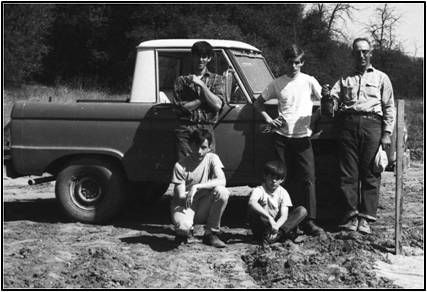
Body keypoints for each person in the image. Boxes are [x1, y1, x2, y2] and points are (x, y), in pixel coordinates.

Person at [325, 37, 395, 234]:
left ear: (371, 53)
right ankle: (351, 216)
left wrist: (387, 133)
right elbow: (333, 103)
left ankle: (365, 218)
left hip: (373, 125)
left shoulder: (382, 78)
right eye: (357, 52)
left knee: (371, 172)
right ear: (352, 54)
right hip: (347, 126)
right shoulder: (344, 79)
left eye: (365, 51)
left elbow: (389, 107)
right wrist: (328, 97)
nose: (361, 55)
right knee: (348, 173)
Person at [253, 44, 325, 236]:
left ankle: (309, 221)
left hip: (303, 138)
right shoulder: (276, 83)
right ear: (285, 62)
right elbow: (258, 103)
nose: (294, 66)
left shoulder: (309, 81)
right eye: (290, 62)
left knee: (309, 179)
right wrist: (269, 119)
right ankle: (285, 221)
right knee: (283, 179)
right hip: (281, 139)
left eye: (297, 62)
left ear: (302, 63)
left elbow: (324, 102)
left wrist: (314, 120)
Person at [170, 128, 230, 248]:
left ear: (209, 148)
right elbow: (180, 197)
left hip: (204, 203)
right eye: (195, 146)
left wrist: (196, 187)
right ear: (190, 145)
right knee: (183, 228)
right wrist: (190, 194)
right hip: (186, 205)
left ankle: (211, 234)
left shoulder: (212, 158)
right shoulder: (180, 166)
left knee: (222, 192)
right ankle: (186, 230)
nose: (199, 151)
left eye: (203, 147)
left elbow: (222, 180)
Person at [173, 41, 225, 160]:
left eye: (204, 56)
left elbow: (217, 105)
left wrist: (202, 85)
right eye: (197, 56)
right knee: (184, 167)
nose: (200, 60)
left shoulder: (217, 79)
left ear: (209, 58)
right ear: (192, 57)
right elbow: (181, 109)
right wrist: (203, 99)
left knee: (207, 166)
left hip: (207, 129)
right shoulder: (181, 81)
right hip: (186, 129)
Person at [248, 160, 307, 245]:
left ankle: (277, 235)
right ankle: (266, 237)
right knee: (253, 209)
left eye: (277, 178)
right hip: (264, 224)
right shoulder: (259, 190)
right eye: (271, 177)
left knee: (302, 210)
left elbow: (284, 215)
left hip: (277, 225)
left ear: (282, 180)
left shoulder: (283, 192)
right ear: (265, 176)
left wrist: (277, 227)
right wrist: (269, 218)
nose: (274, 181)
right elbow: (252, 203)